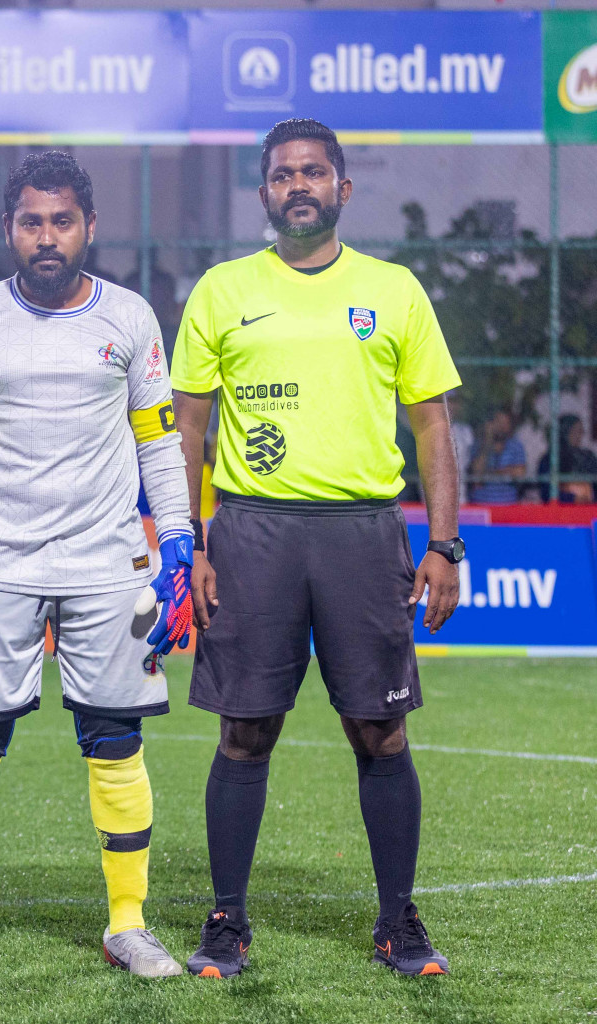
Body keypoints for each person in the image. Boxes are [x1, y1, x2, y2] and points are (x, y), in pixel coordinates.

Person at [171, 118, 463, 979]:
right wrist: (191, 540)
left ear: (342, 186)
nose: (298, 185)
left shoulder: (395, 288)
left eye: (313, 172)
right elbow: (184, 428)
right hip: (251, 531)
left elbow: (433, 425)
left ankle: (396, 921)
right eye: (282, 175)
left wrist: (443, 544)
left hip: (363, 533)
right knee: (245, 730)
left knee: (380, 730)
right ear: (264, 193)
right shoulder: (222, 290)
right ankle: (226, 920)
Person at [0, 151, 192, 981]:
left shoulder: (132, 317)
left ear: (89, 227)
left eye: (61, 220)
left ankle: (127, 925)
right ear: (9, 229)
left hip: (108, 564)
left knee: (115, 739)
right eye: (31, 221)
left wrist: (178, 543)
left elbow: (159, 438)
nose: (46, 236)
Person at [469, 408, 527, 505]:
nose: (501, 428)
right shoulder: (479, 445)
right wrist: (487, 443)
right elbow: (476, 472)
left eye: (505, 424)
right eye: (499, 422)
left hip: (508, 504)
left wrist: (489, 473)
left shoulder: (516, 446)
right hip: (481, 504)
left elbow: (519, 472)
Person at [537, 414, 597, 503]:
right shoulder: (550, 458)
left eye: (580, 431)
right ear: (564, 432)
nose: (578, 435)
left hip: (589, 506)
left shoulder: (587, 456)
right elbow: (546, 491)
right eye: (574, 431)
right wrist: (572, 498)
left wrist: (589, 497)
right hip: (563, 509)